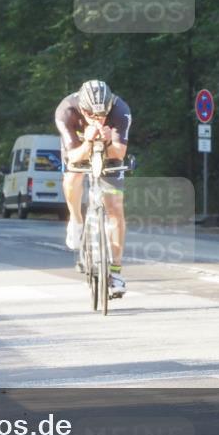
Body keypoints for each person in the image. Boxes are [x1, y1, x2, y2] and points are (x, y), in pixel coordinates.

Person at [55, 80, 131, 296]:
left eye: (102, 115)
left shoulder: (120, 110)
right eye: (92, 116)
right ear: (82, 109)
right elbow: (73, 156)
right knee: (73, 175)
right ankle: (76, 219)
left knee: (115, 207)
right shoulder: (66, 111)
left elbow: (119, 152)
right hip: (78, 147)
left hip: (109, 152)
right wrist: (88, 143)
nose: (98, 120)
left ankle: (115, 271)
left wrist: (106, 142)